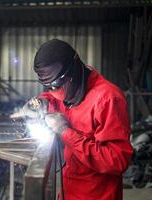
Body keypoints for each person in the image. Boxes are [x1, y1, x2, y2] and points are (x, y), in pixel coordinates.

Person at [12, 39, 133, 200]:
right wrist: (40, 102)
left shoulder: (107, 99)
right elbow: (54, 98)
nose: (53, 90)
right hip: (69, 191)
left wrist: (65, 131)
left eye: (55, 83)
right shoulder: (71, 88)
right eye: (47, 85)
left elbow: (117, 161)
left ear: (73, 70)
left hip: (97, 195)